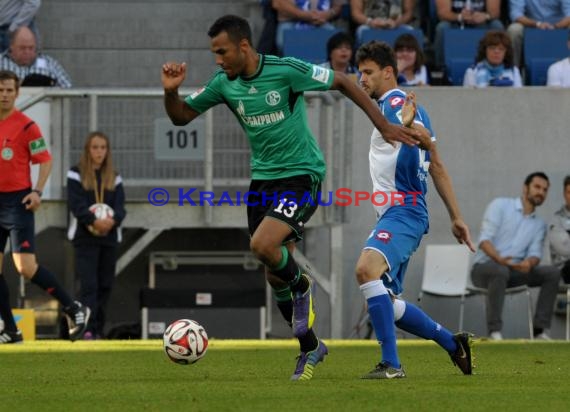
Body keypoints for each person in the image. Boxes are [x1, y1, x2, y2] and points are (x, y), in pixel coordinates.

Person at [161, 14, 422, 381]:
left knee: (263, 245)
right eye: (214, 53)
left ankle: (303, 285)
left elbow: (343, 81)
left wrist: (383, 124)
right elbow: (182, 117)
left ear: (244, 46)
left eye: (222, 52)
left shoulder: (285, 71)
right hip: (262, 183)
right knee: (273, 273)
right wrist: (171, 92)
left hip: (302, 175)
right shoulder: (224, 83)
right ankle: (310, 346)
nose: (218, 60)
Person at [354, 40, 475, 379]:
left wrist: (409, 126)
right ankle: (453, 344)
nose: (361, 79)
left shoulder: (394, 103)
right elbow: (436, 165)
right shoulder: (411, 108)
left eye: (367, 72)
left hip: (402, 210)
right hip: (403, 212)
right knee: (386, 303)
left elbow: (419, 136)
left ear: (388, 72)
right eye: (359, 72)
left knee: (366, 270)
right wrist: (456, 217)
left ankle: (392, 365)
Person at [0, 70, 89, 344]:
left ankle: (73, 308)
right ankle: (11, 330)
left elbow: (45, 160)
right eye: (0, 90)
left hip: (18, 202)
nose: (4, 95)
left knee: (25, 267)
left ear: (17, 93)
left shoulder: (27, 126)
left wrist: (37, 191)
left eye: (9, 91)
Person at [471, 172, 561, 340]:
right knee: (500, 270)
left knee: (552, 273)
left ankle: (540, 331)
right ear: (525, 188)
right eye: (537, 187)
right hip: (484, 269)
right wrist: (500, 259)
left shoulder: (539, 224)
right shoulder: (500, 205)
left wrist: (529, 263)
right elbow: (484, 241)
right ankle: (494, 331)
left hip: (514, 271)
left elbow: (535, 254)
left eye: (545, 189)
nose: (540, 192)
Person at [67, 131, 126, 340]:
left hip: (109, 238)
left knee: (105, 285)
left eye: (103, 147)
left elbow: (120, 208)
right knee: (88, 285)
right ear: (88, 150)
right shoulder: (75, 174)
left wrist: (111, 221)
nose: (99, 152)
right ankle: (87, 330)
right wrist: (94, 221)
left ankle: (99, 329)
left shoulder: (115, 176)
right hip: (85, 238)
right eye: (95, 147)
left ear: (107, 151)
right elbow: (76, 205)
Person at [434, 0, 504, 68]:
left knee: (496, 25)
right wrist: (460, 17)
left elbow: (495, 12)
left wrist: (485, 16)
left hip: (481, 22)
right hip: (455, 22)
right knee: (442, 27)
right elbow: (442, 13)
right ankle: (441, 68)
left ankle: (497, 67)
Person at [0, 26, 72, 88]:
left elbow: (67, 87)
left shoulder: (49, 63)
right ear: (11, 46)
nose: (27, 52)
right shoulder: (1, 62)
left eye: (31, 48)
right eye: (22, 48)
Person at [507, 0, 570, 68]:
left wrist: (556, 26)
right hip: (530, 25)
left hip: (560, 26)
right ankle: (514, 69)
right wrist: (537, 24)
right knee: (514, 29)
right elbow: (516, 14)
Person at [272, 0, 344, 54]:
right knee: (282, 43)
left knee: (336, 43)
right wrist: (304, 15)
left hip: (321, 21)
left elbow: (337, 6)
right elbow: (277, 3)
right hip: (291, 20)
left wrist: (328, 14)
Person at [350, 0, 417, 45]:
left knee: (410, 30)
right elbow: (356, 13)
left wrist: (396, 23)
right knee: (361, 31)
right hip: (369, 25)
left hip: (397, 24)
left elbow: (409, 12)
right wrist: (370, 22)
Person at [549, 175, 570, 284]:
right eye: (569, 192)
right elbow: (564, 250)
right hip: (565, 270)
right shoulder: (556, 220)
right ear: (564, 194)